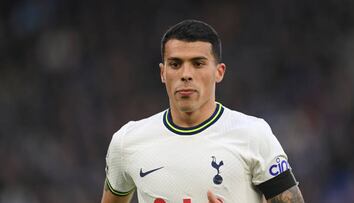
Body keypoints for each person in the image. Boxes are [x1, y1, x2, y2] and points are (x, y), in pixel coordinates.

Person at [101, 19, 305, 203]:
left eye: (198, 64)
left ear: (219, 72)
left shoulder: (253, 134)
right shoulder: (127, 142)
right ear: (163, 73)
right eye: (175, 64)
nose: (186, 74)